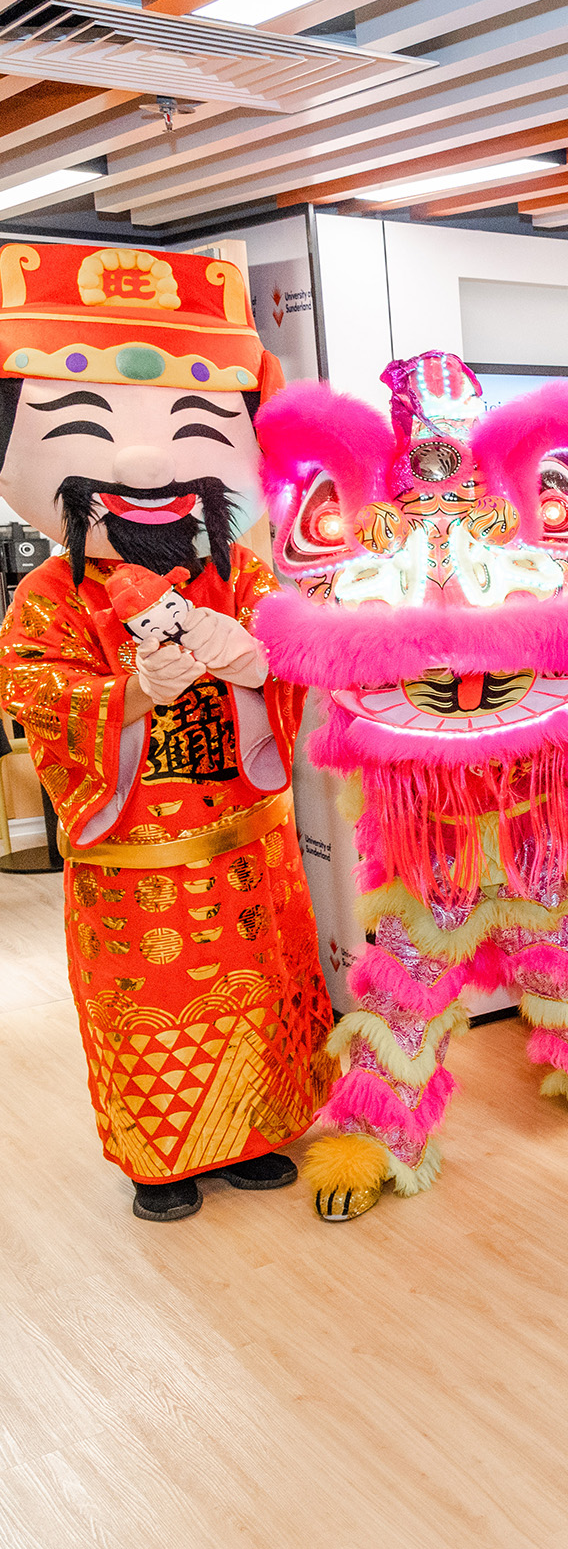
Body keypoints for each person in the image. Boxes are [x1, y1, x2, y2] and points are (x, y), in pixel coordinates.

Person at [0, 242, 333, 1222]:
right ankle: (162, 1161)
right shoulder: (47, 596)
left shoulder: (241, 570)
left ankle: (260, 1135)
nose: (144, 465)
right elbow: (41, 699)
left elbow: (301, 650)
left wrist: (257, 660)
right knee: (156, 1017)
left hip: (249, 857)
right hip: (138, 870)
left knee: (265, 1000)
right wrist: (136, 694)